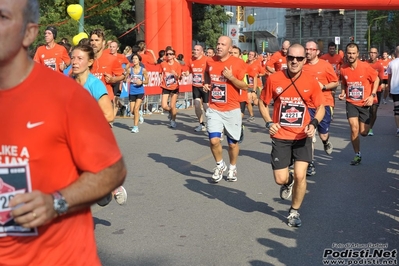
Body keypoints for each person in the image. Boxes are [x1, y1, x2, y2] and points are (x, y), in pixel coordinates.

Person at [0, 1, 127, 264]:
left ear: (29, 33)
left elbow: (112, 170)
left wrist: (56, 202)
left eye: (2, 17)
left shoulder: (67, 96)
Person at [259, 43, 325, 227]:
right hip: (281, 136)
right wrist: (269, 122)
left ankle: (294, 212)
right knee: (280, 178)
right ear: (286, 58)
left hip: (302, 136)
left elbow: (321, 107)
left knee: (300, 175)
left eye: (298, 58)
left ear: (305, 60)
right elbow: (263, 102)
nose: (294, 61)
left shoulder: (311, 81)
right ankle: (287, 183)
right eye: (290, 58)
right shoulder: (274, 79)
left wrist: (313, 124)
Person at [70, 44, 128, 205]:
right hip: (72, 140)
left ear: (90, 62)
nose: (74, 62)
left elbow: (109, 116)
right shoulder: (68, 82)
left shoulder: (94, 84)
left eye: (79, 58)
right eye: (73, 58)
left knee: (100, 198)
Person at [203, 36, 247, 182]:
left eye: (223, 44)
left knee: (232, 144)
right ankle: (220, 165)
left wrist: (231, 78)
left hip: (232, 109)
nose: (219, 46)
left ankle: (233, 167)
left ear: (230, 48)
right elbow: (207, 74)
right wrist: (207, 84)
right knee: (214, 140)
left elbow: (244, 85)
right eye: (218, 43)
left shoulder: (238, 63)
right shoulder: (210, 61)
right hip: (214, 108)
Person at [338, 43, 379, 165]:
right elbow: (344, 83)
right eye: (349, 53)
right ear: (346, 54)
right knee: (354, 128)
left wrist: (372, 95)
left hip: (364, 103)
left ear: (357, 54)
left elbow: (376, 79)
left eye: (353, 53)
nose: (351, 55)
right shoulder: (343, 68)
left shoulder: (365, 67)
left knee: (363, 132)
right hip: (351, 103)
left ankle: (368, 124)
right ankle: (357, 154)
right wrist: (343, 93)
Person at [302, 41, 338, 176]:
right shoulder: (302, 65)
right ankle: (310, 163)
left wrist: (322, 86)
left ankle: (326, 142)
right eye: (306, 49)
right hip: (307, 105)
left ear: (317, 51)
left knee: (323, 135)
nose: (308, 51)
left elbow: (335, 82)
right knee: (309, 135)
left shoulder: (325, 65)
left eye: (311, 49)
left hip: (323, 104)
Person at [89, 29, 125, 126]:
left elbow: (123, 75)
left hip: (104, 101)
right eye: (92, 40)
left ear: (103, 42)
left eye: (97, 40)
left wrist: (113, 79)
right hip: (88, 101)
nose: (93, 43)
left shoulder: (111, 59)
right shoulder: (86, 59)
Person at [183, 44, 209, 132]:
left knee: (206, 107)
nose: (195, 51)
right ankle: (201, 124)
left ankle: (211, 123)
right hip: (195, 86)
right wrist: (186, 73)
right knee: (197, 105)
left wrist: (208, 83)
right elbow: (189, 70)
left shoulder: (207, 60)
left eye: (198, 50)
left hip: (205, 86)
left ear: (202, 52)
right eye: (194, 49)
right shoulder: (191, 60)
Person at [160, 48, 182, 128]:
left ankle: (173, 121)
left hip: (174, 87)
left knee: (173, 106)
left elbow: (179, 77)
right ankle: (171, 112)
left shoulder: (177, 64)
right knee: (164, 106)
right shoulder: (163, 64)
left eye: (171, 54)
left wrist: (175, 74)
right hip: (165, 86)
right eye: (167, 54)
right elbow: (160, 73)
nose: (169, 55)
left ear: (174, 56)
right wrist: (160, 79)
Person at [127, 54, 149, 133]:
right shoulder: (130, 70)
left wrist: (142, 82)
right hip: (132, 91)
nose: (134, 60)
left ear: (139, 60)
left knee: (136, 108)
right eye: (133, 59)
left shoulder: (143, 70)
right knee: (132, 111)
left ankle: (135, 127)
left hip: (140, 91)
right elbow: (125, 78)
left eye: (136, 58)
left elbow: (147, 81)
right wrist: (127, 80)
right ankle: (139, 114)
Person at [367, 47, 385, 136]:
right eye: (371, 52)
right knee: (366, 110)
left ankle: (370, 128)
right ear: (369, 53)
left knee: (373, 111)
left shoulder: (379, 66)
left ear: (377, 54)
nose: (372, 54)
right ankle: (364, 125)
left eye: (374, 53)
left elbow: (381, 80)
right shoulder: (365, 64)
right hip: (366, 90)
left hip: (376, 91)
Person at [386, 46, 399, 137]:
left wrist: (389, 88)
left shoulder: (391, 63)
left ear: (396, 52)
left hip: (395, 90)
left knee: (397, 110)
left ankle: (398, 129)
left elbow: (389, 78)